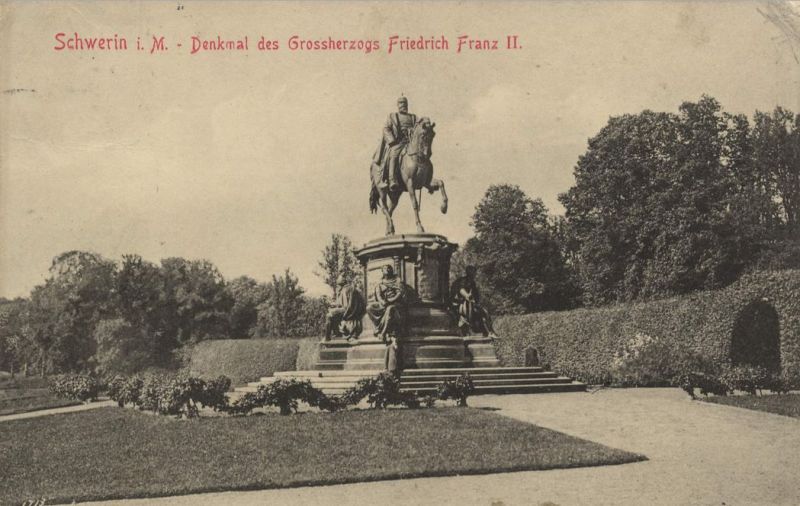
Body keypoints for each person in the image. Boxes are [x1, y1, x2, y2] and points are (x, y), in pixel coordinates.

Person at [372, 96, 418, 192]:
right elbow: (386, 129)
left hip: (410, 144)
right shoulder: (392, 116)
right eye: (401, 103)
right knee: (394, 155)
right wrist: (392, 140)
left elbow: (419, 128)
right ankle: (392, 180)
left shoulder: (413, 117)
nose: (403, 105)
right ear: (398, 105)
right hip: (398, 142)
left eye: (405, 103)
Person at [450, 265, 497, 338]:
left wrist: (476, 302)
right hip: (461, 304)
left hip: (470, 304)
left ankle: (489, 331)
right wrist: (467, 295)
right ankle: (483, 331)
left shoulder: (472, 283)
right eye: (473, 272)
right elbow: (461, 289)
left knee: (485, 312)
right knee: (474, 312)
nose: (474, 274)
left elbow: (476, 295)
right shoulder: (463, 280)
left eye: (474, 272)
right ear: (468, 272)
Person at [367, 265, 406, 339]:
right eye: (385, 269)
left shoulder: (397, 280)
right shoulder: (381, 282)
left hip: (395, 303)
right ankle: (377, 326)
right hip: (384, 303)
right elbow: (378, 295)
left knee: (390, 309)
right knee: (369, 308)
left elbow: (400, 293)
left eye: (389, 268)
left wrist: (391, 300)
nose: (387, 270)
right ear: (382, 271)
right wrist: (382, 302)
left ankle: (383, 332)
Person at [323, 275, 366, 341]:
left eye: (339, 279)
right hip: (348, 310)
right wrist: (334, 306)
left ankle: (327, 338)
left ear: (343, 280)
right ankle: (336, 333)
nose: (337, 280)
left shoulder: (347, 289)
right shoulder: (345, 289)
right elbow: (342, 304)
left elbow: (348, 306)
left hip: (348, 311)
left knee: (329, 315)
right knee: (331, 313)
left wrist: (344, 316)